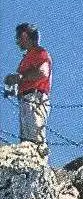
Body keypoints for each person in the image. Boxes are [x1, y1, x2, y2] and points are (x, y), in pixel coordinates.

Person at [3, 23, 52, 156]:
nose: (17, 41)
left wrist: (19, 77)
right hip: (26, 99)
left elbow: (43, 73)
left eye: (19, 37)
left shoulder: (40, 53)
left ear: (25, 36)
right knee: (27, 137)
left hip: (36, 98)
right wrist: (12, 87)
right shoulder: (27, 58)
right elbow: (21, 79)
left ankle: (38, 163)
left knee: (35, 135)